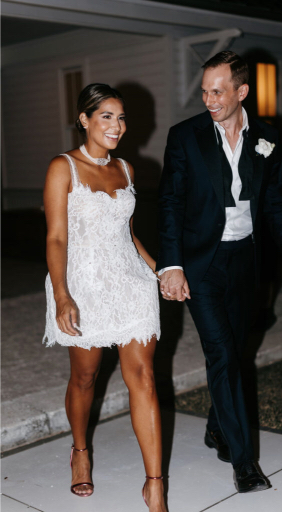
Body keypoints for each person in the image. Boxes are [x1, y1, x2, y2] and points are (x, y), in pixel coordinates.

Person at [156, 51, 282, 493]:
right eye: (204, 91)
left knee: (236, 352)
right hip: (202, 262)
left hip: (246, 261)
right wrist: (172, 265)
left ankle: (217, 427)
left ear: (242, 91)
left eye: (217, 91)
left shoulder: (268, 138)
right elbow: (170, 203)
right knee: (222, 354)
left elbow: (276, 205)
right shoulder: (185, 137)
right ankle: (244, 463)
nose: (208, 99)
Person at [43, 83, 167, 511]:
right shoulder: (64, 168)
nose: (117, 126)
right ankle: (80, 451)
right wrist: (62, 295)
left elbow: (127, 234)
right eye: (107, 117)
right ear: (85, 119)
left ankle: (155, 485)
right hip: (84, 284)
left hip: (131, 282)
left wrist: (161, 270)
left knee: (144, 379)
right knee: (85, 377)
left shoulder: (127, 170)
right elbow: (57, 238)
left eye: (121, 117)